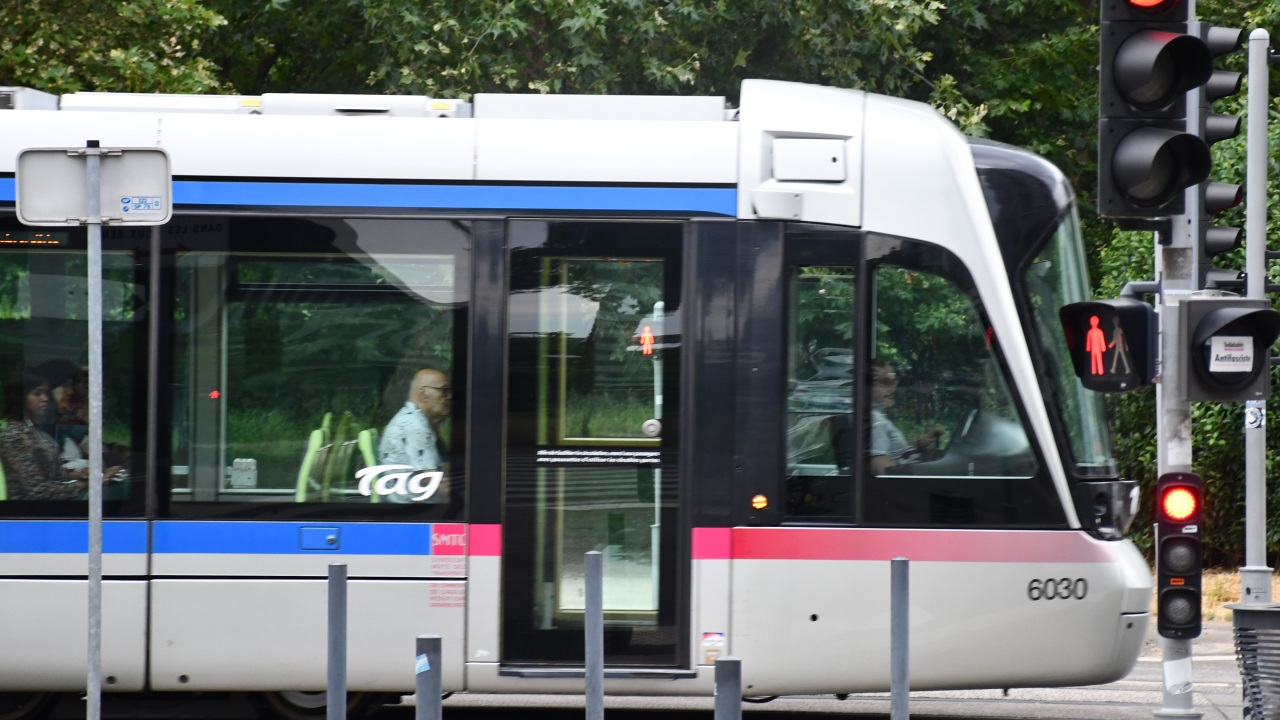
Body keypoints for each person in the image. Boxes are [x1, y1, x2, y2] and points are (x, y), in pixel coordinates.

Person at [0, 369, 84, 500]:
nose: (45, 398)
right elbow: (38, 491)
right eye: (37, 393)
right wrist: (82, 485)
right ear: (20, 397)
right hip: (28, 510)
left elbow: (51, 476)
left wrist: (79, 475)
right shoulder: (14, 435)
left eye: (45, 393)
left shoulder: (34, 428)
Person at [377, 368, 451, 503]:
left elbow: (444, 469)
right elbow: (435, 485)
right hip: (411, 510)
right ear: (423, 394)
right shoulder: (413, 426)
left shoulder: (419, 422)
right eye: (444, 391)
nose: (449, 397)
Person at [868, 359, 943, 475]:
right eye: (886, 382)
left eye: (894, 382)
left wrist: (919, 443)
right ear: (867, 385)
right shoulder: (875, 422)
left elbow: (894, 451)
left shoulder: (877, 415)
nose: (893, 388)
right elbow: (883, 470)